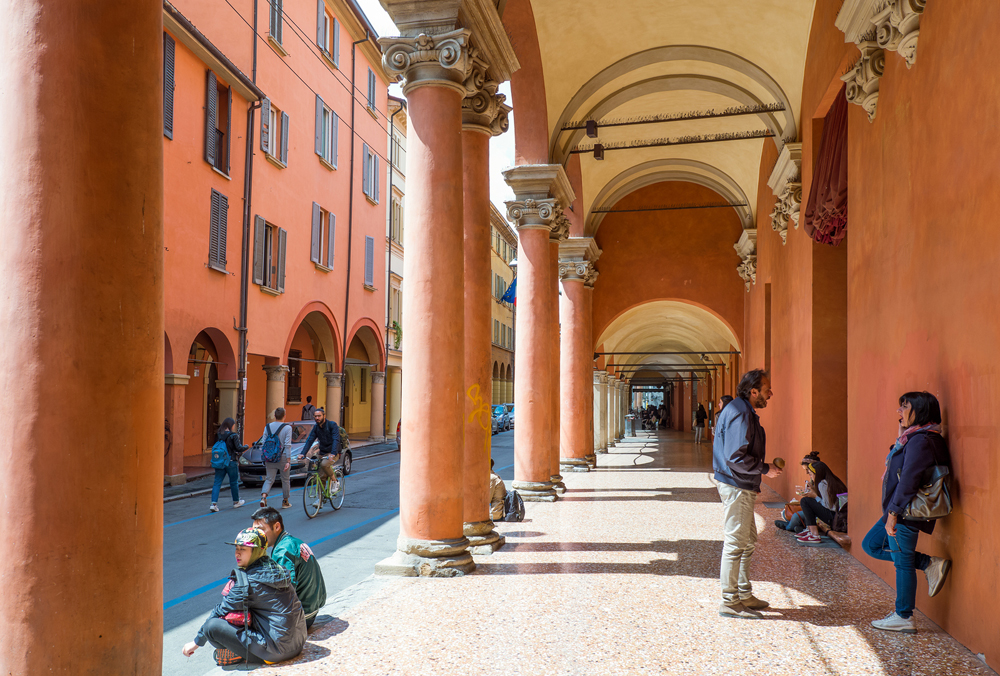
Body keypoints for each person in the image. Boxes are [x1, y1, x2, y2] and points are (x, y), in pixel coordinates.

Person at [862, 391, 952, 634]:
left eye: (905, 407)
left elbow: (909, 480)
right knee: (871, 544)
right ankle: (927, 563)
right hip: (900, 508)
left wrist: (893, 513)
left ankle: (904, 615)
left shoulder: (922, 440)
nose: (899, 411)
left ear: (920, 411)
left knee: (902, 563)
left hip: (905, 510)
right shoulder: (915, 438)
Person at [712, 369, 782, 619]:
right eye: (766, 389)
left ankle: (743, 593)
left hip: (740, 483)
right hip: (737, 484)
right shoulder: (740, 412)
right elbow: (735, 457)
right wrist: (765, 469)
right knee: (735, 543)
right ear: (753, 392)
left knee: (748, 539)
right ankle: (730, 601)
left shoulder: (741, 409)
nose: (770, 393)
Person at [182, 527, 307, 666]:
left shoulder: (249, 580)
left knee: (211, 627)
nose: (237, 553)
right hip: (297, 644)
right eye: (237, 548)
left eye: (243, 549)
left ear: (257, 551)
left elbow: (220, 611)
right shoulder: (276, 568)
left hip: (276, 652)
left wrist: (195, 643)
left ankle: (239, 654)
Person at [252, 507, 328, 629]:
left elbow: (286, 589)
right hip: (312, 608)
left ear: (277, 527)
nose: (257, 535)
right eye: (254, 531)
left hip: (302, 616)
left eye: (260, 530)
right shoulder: (290, 541)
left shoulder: (282, 551)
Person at [794, 454, 848, 545]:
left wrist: (815, 496)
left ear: (817, 474)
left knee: (805, 501)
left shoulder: (822, 484)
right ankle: (809, 530)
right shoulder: (833, 480)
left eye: (811, 474)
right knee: (808, 501)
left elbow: (829, 506)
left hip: (835, 518)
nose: (810, 476)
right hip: (839, 516)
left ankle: (814, 534)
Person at [301, 408, 341, 508]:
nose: (317, 418)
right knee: (320, 475)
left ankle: (335, 482)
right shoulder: (316, 428)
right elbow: (310, 440)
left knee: (324, 464)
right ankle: (320, 499)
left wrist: (332, 453)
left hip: (333, 452)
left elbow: (336, 439)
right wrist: (303, 453)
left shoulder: (332, 425)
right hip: (322, 452)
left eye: (319, 416)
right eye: (315, 416)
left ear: (324, 416)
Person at [210, 417, 248, 512]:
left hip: (220, 462)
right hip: (231, 462)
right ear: (230, 425)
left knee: (217, 482)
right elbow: (238, 448)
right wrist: (246, 447)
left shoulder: (218, 435)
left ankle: (213, 504)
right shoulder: (233, 435)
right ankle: (236, 502)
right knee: (234, 482)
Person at [260, 408, 293, 509]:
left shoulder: (268, 426)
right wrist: (288, 460)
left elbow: (263, 442)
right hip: (282, 457)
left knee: (269, 479)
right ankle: (285, 501)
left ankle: (263, 497)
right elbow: (287, 445)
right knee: (285, 479)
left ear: (274, 415)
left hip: (270, 457)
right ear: (285, 415)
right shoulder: (287, 428)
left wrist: (265, 456)